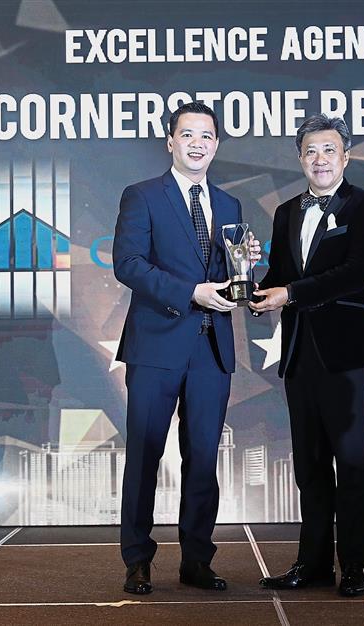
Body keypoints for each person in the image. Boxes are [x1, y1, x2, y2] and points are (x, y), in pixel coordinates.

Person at [113, 101, 259, 594]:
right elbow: (128, 263)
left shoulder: (230, 205)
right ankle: (137, 560)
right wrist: (190, 292)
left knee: (202, 459)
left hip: (211, 349)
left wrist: (245, 267)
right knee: (144, 456)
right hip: (156, 345)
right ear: (170, 141)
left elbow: (230, 277)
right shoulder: (142, 195)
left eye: (207, 136)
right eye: (188, 135)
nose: (198, 144)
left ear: (216, 145)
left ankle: (197, 559)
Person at [250, 114, 364, 597]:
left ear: (346, 156)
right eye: (311, 151)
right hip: (298, 351)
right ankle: (312, 563)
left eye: (329, 150)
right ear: (300, 159)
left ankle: (354, 565)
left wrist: (289, 293)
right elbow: (278, 275)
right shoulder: (286, 211)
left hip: (345, 353)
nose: (320, 159)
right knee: (309, 466)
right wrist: (248, 283)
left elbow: (356, 273)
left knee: (351, 461)